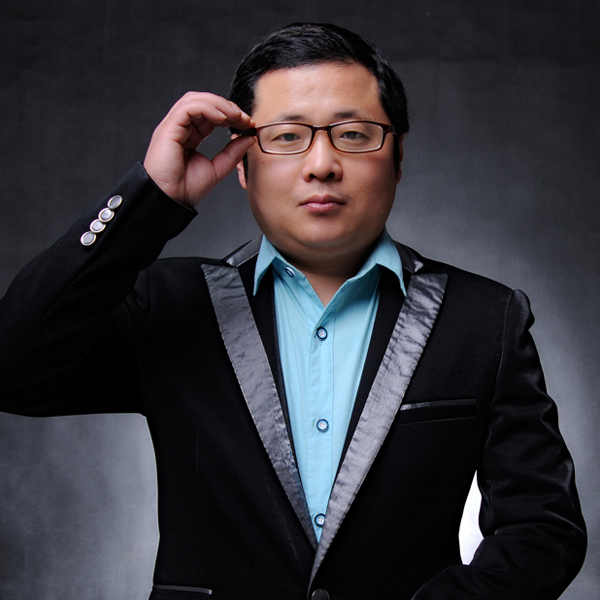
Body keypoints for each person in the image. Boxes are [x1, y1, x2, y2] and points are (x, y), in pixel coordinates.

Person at [0, 22, 586, 600]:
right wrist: (149, 198)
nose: (321, 163)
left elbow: (543, 528)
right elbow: (13, 368)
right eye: (286, 136)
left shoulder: (485, 317)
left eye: (353, 134)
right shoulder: (168, 303)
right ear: (241, 164)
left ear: (398, 156)